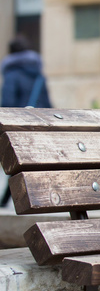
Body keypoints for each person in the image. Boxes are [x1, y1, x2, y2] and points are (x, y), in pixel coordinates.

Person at [1, 36, 52, 207]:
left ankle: (8, 200)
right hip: (37, 125)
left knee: (17, 163)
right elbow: (47, 104)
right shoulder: (39, 75)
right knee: (27, 164)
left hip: (18, 126)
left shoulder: (12, 74)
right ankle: (9, 199)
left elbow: (7, 104)